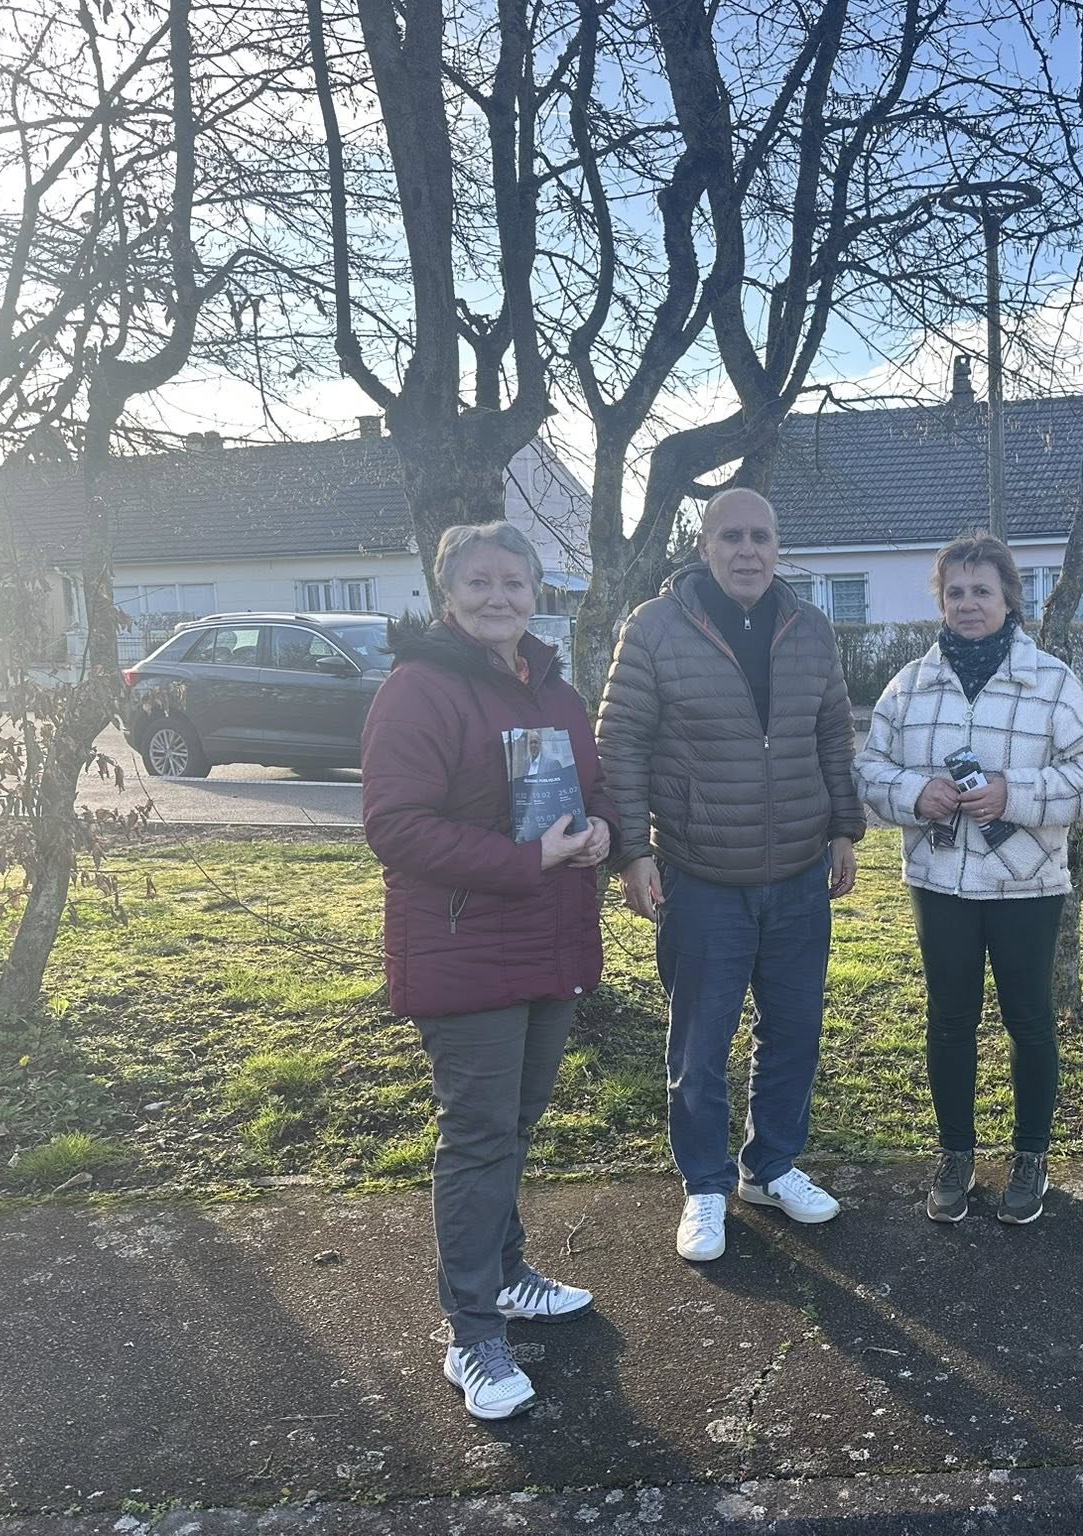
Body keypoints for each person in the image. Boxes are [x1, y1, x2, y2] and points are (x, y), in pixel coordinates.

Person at [360, 521, 617, 1421]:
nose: (499, 596)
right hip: (466, 942)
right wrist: (527, 861)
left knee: (514, 1122)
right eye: (480, 582)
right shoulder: (418, 689)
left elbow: (595, 787)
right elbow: (394, 826)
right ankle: (472, 1335)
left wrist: (605, 834)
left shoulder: (557, 690)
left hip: (551, 937)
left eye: (514, 581)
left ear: (536, 591)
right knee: (477, 1136)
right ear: (448, 592)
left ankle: (507, 1276)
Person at [595, 488, 865, 1264]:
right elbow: (622, 745)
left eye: (762, 537)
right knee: (700, 1044)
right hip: (701, 874)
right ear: (704, 544)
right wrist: (633, 851)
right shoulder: (653, 629)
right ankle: (705, 1185)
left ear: (778, 547)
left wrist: (844, 827)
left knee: (795, 1035)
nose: (748, 550)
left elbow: (831, 734)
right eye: (731, 536)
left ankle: (770, 1166)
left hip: (798, 876)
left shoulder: (809, 628)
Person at [855, 534, 1083, 1225]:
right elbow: (869, 769)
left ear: (1009, 598)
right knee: (949, 1022)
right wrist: (917, 793)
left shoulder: (1052, 682)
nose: (969, 604)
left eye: (982, 591)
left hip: (1027, 886)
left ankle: (1030, 1155)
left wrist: (1015, 793)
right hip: (939, 883)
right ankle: (956, 1154)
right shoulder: (910, 684)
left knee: (1030, 1021)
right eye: (956, 592)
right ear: (940, 600)